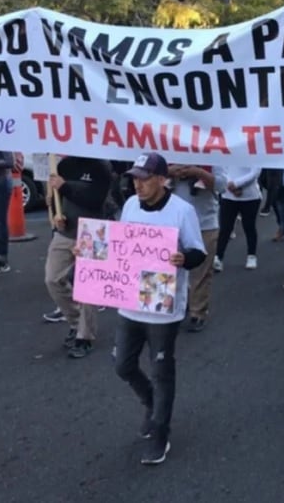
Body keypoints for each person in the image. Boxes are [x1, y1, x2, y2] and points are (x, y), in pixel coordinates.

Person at [111, 152, 206, 465]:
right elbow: (120, 249)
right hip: (130, 303)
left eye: (144, 178)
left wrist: (183, 259)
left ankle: (160, 431)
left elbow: (198, 252)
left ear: (162, 180)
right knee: (123, 365)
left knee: (162, 371)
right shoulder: (129, 206)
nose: (137, 184)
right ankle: (151, 401)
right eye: (135, 178)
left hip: (163, 308)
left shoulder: (182, 211)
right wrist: (87, 251)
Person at [43, 154, 113, 358]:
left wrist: (65, 186)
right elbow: (57, 195)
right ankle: (75, 322)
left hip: (93, 230)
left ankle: (85, 337)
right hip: (66, 231)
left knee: (88, 287)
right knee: (52, 279)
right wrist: (57, 214)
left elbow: (95, 199)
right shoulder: (63, 165)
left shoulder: (101, 167)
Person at [168, 163, 227, 332]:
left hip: (204, 221)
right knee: (172, 268)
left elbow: (222, 185)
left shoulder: (214, 153)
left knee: (201, 271)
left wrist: (198, 172)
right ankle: (178, 304)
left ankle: (198, 312)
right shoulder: (168, 148)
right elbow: (147, 173)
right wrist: (168, 171)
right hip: (173, 222)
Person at [213, 166, 262, 272]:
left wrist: (237, 184)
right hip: (228, 195)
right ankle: (218, 257)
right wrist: (230, 185)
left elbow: (255, 172)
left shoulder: (253, 151)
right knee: (225, 228)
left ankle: (251, 255)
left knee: (249, 226)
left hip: (250, 196)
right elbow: (222, 169)